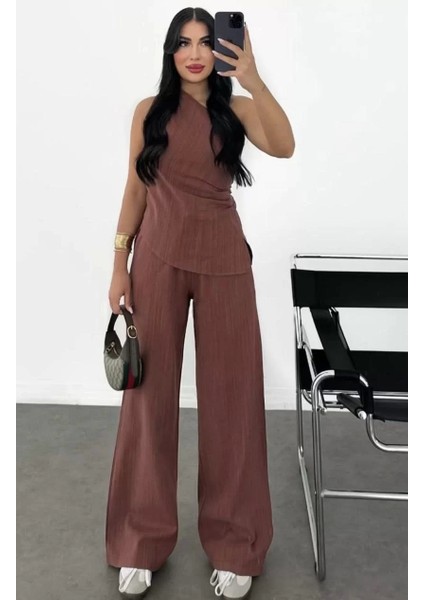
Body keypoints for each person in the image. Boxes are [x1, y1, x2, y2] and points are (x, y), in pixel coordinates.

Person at [106, 7, 295, 599]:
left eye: (205, 42)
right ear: (170, 52)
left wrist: (253, 79)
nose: (194, 53)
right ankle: (140, 541)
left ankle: (236, 544)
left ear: (220, 50)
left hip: (225, 264)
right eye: (183, 43)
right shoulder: (149, 112)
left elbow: (285, 146)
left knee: (233, 402)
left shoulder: (236, 111)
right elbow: (135, 189)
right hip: (157, 261)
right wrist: (119, 263)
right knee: (148, 401)